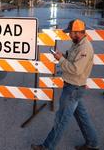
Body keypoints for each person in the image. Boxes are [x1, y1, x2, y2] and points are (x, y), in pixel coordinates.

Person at [31, 19, 99, 150]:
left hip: (73, 88)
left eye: (71, 33)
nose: (69, 35)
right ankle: (92, 143)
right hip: (75, 88)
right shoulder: (77, 44)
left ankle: (47, 147)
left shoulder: (85, 48)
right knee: (82, 116)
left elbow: (76, 69)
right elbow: (73, 57)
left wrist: (60, 59)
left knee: (61, 120)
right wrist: (64, 55)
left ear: (78, 32)